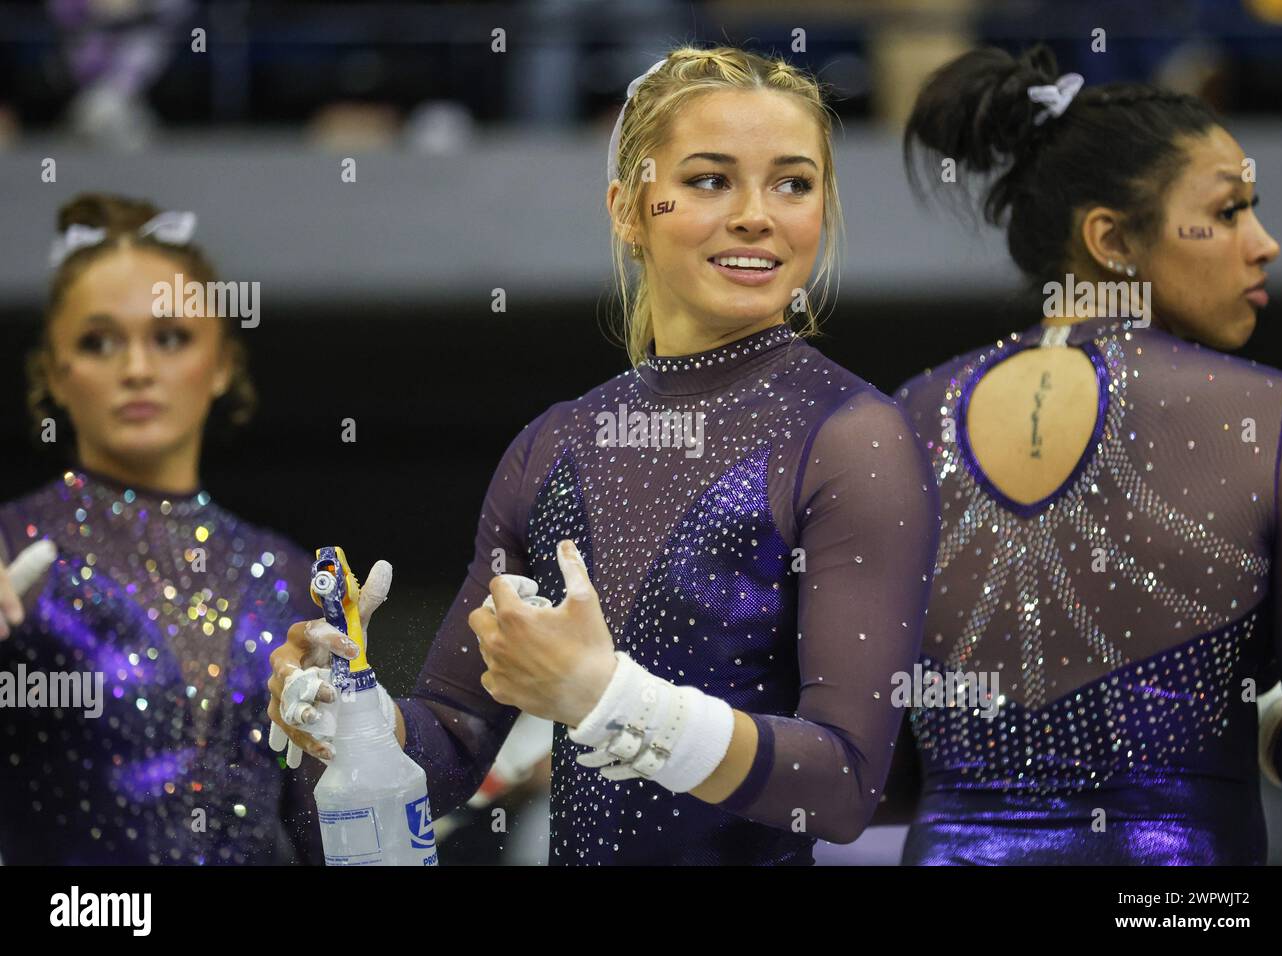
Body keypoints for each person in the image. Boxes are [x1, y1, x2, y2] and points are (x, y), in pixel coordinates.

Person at [268, 44, 941, 865]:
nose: (757, 214)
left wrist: (610, 699)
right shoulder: (554, 444)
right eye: (709, 179)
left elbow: (840, 784)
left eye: (793, 182)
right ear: (629, 209)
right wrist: (351, 724)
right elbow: (455, 737)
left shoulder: (852, 435)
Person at [892, 43, 1282, 864]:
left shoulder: (902, 417)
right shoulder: (1275, 416)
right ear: (1110, 238)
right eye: (1227, 213)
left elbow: (870, 770)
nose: (1266, 244)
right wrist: (1263, 736)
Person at [0, 193, 324, 865]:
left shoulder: (291, 573)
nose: (137, 369)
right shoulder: (11, 547)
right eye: (98, 342)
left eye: (170, 337)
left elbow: (329, 824)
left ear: (223, 364)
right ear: (53, 374)